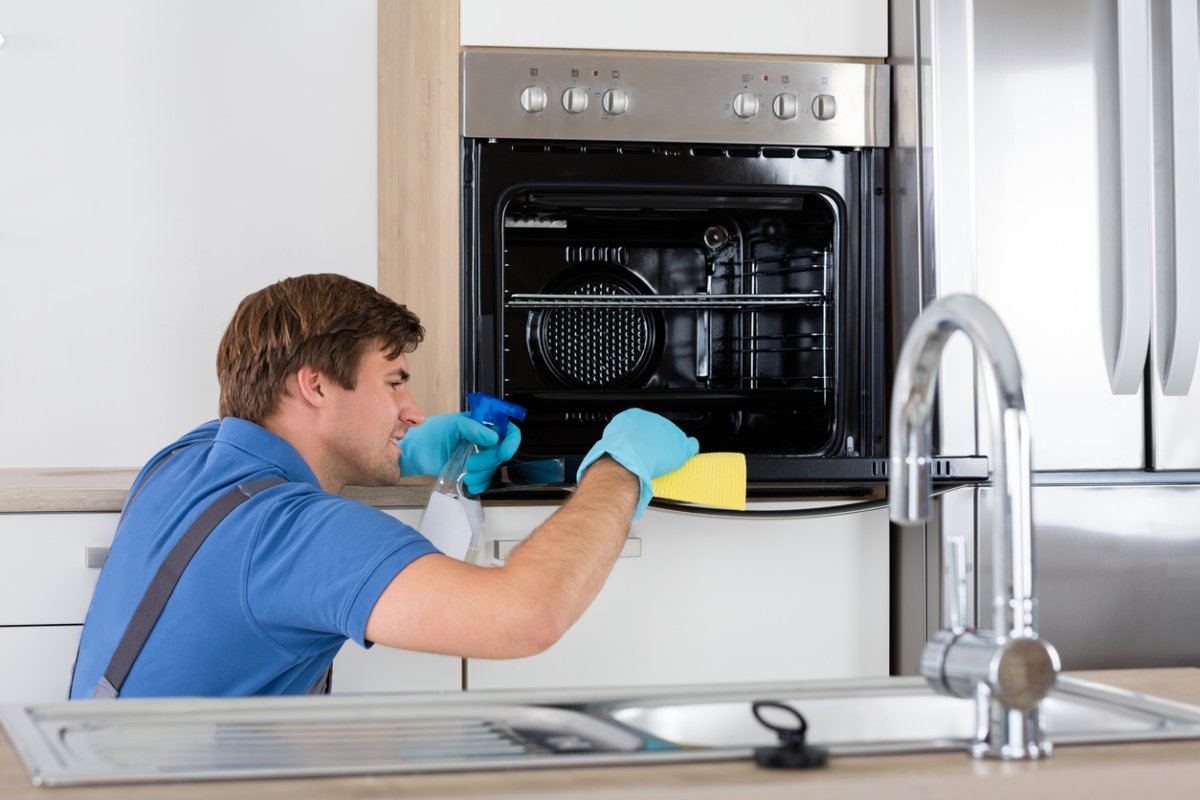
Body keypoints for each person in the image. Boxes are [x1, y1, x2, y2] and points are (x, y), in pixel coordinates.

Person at [69, 273, 697, 699]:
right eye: (395, 382)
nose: (414, 410)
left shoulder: (181, 463)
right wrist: (619, 470)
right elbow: (526, 616)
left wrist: (406, 452)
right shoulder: (295, 534)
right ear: (314, 385)